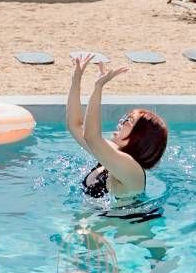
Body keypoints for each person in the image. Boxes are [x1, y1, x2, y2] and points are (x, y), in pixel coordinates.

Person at [66, 53, 168, 202]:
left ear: (140, 137)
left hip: (125, 223)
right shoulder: (113, 153)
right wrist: (76, 80)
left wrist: (98, 87)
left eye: (128, 121)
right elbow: (75, 126)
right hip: (96, 221)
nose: (121, 122)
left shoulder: (133, 170)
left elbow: (91, 136)